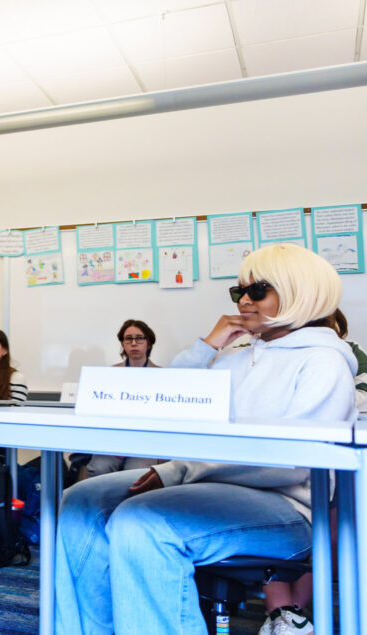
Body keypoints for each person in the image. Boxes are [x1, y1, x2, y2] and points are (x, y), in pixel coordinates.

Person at [55, 243, 357, 635]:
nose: (244, 301)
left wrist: (179, 471)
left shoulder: (323, 361)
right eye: (239, 291)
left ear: (298, 292)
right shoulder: (237, 353)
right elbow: (162, 402)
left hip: (288, 508)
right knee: (80, 500)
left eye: (257, 290)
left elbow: (290, 461)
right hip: (211, 486)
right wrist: (208, 346)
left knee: (142, 520)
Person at [256, 307, 367, 635]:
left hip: (335, 458)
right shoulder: (261, 350)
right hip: (275, 461)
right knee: (263, 505)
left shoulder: (349, 353)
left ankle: (290, 611)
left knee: (334, 518)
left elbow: (359, 399)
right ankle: (285, 614)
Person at [84, 319, 163, 477]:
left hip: (145, 442)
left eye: (139, 338)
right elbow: (101, 412)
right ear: (122, 344)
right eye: (128, 339)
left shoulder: (162, 376)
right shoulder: (110, 374)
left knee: (137, 474)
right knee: (98, 467)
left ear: (148, 343)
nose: (133, 343)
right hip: (114, 440)